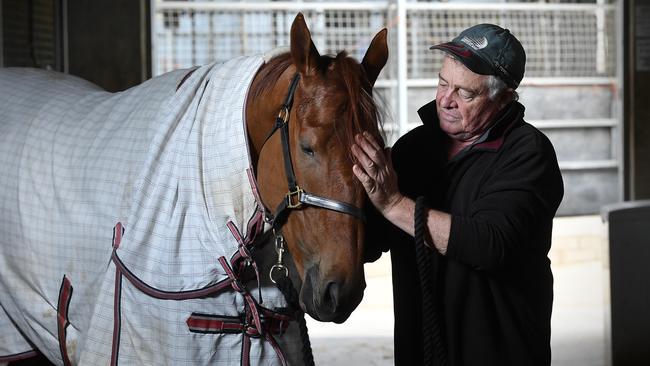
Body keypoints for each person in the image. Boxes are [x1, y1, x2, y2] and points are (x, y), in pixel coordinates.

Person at [352, 24, 564, 365]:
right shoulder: (413, 151)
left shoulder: (528, 154)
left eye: (465, 93)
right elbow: (368, 242)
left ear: (504, 98)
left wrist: (392, 203)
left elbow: (491, 244)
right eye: (442, 83)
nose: (445, 100)